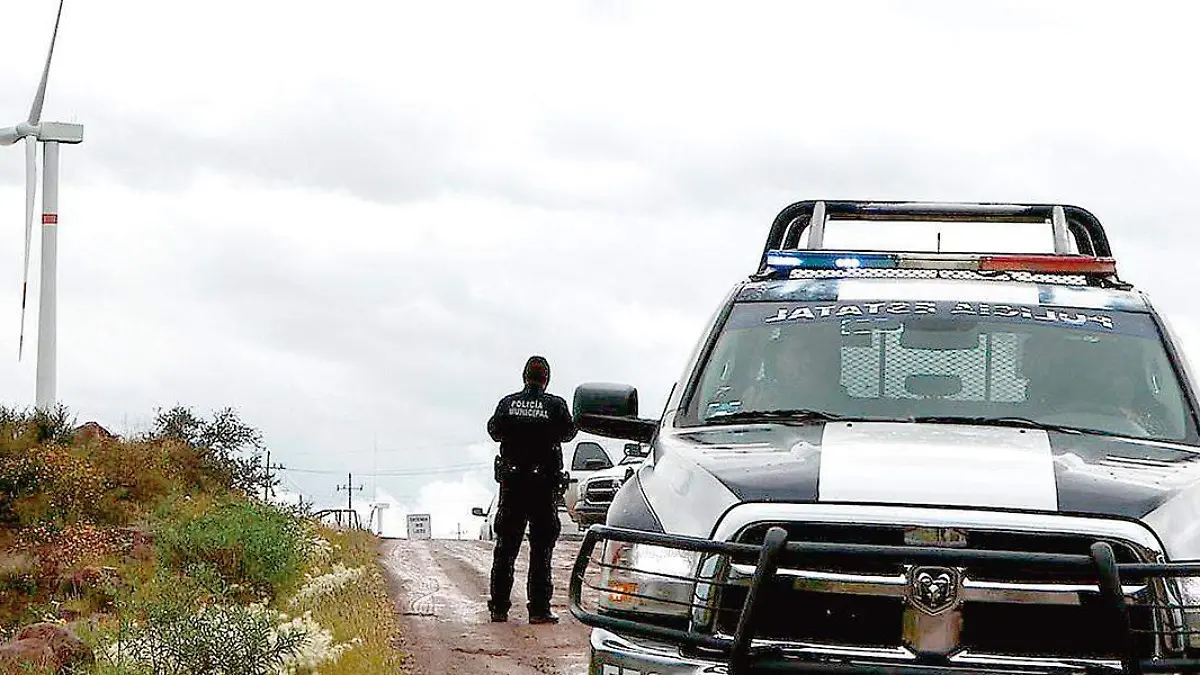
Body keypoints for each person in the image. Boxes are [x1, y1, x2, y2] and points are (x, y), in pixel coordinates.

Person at [486, 355, 577, 624]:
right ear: (546, 379)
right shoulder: (555, 405)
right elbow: (569, 433)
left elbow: (494, 430)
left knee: (505, 548)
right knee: (541, 550)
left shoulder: (508, 403)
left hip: (513, 486)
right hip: (542, 487)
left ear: (524, 377)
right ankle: (538, 610)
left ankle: (499, 608)